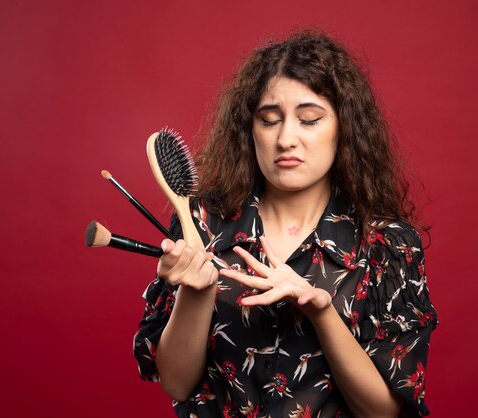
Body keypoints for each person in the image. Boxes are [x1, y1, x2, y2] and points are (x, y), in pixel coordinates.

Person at [134, 31, 438, 418]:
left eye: (309, 120)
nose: (285, 139)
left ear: (344, 128)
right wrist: (195, 293)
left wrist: (321, 311)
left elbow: (383, 412)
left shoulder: (386, 244)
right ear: (250, 129)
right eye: (269, 120)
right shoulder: (201, 226)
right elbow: (177, 383)